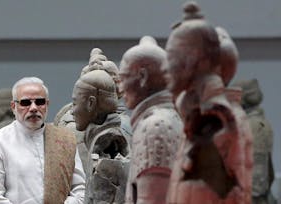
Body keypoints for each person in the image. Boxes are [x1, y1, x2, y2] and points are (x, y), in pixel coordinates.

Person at [163, 2, 252, 203]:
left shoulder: (213, 120)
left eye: (172, 57)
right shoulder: (202, 115)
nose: (165, 67)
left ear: (197, 60)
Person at [0, 77, 86, 204]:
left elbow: (80, 189)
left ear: (47, 105)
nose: (33, 108)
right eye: (26, 103)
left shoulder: (65, 139)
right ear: (13, 106)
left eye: (39, 102)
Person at [119, 35, 184, 204]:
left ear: (142, 76)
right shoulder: (169, 117)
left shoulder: (154, 126)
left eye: (124, 78)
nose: (120, 88)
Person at [72, 70, 131, 204]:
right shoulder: (99, 138)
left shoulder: (107, 143)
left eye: (75, 103)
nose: (72, 111)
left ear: (91, 103)